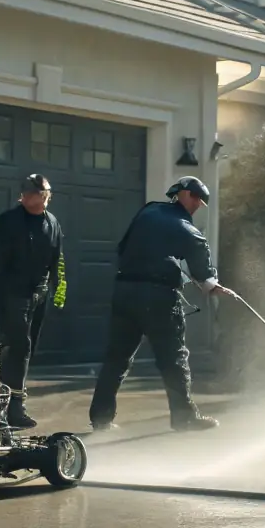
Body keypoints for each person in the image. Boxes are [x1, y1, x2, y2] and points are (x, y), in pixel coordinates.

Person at [88, 176, 235, 432]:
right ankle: (184, 417)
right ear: (185, 195)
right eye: (198, 199)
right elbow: (200, 256)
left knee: (116, 359)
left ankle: (101, 419)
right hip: (157, 298)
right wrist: (211, 283)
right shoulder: (185, 227)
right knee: (173, 358)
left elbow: (123, 247)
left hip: (124, 292)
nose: (199, 205)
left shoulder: (148, 210)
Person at [0, 173, 66, 429]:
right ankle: (12, 408)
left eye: (32, 192)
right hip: (13, 293)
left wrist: (59, 290)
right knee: (18, 346)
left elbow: (58, 259)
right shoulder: (8, 221)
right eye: (24, 192)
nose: (26, 196)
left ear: (44, 196)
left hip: (38, 294)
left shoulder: (52, 223)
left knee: (24, 349)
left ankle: (0, 400)